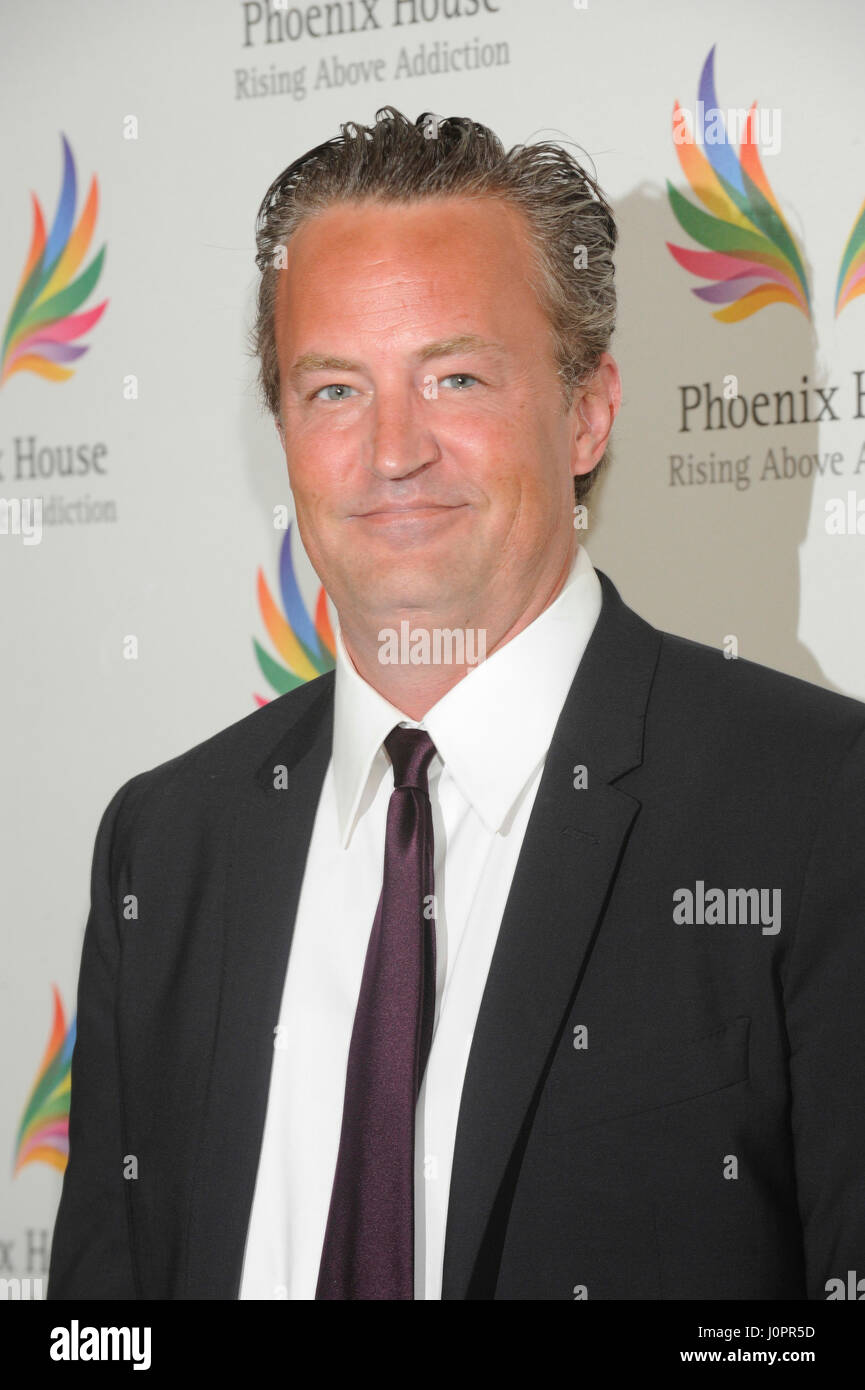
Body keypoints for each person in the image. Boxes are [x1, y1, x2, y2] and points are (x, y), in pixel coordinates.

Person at [48, 107, 865, 1301]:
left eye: (456, 376)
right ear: (280, 429)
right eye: (334, 389)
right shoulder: (165, 847)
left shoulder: (814, 806)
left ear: (586, 411)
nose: (392, 451)